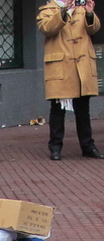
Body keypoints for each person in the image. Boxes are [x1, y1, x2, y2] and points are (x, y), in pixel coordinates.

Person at [37, 0, 103, 161]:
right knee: (58, 110)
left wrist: (89, 13)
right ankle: (55, 147)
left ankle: (88, 146)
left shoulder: (81, 9)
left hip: (82, 68)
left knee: (83, 110)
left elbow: (94, 29)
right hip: (61, 67)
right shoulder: (47, 10)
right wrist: (63, 11)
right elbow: (48, 29)